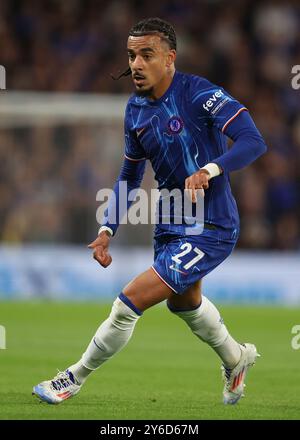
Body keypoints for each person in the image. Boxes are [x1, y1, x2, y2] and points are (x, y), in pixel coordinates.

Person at [33, 17, 266, 406]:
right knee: (183, 302)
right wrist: (108, 228)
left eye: (146, 55)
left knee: (129, 301)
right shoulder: (135, 110)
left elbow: (252, 141)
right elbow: (129, 175)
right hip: (171, 222)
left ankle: (72, 378)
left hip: (211, 225)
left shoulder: (199, 94)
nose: (136, 64)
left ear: (169, 58)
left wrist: (210, 169)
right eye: (131, 55)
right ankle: (236, 357)